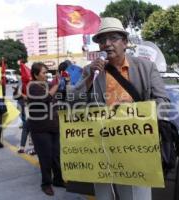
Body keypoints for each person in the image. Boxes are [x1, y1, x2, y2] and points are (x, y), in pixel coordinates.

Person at [68, 17, 170, 200]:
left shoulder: (146, 67)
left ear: (124, 42)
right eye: (102, 40)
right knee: (105, 195)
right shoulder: (91, 71)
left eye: (113, 38)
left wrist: (132, 114)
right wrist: (90, 78)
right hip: (102, 152)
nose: (107, 44)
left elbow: (164, 102)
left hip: (136, 150)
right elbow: (72, 102)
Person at [27, 62, 65, 196]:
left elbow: (59, 95)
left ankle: (58, 179)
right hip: (40, 128)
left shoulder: (47, 85)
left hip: (53, 126)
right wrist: (56, 86)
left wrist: (63, 83)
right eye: (43, 73)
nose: (46, 75)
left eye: (46, 72)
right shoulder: (32, 87)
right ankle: (46, 183)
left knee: (56, 155)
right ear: (35, 75)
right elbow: (46, 98)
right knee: (46, 158)